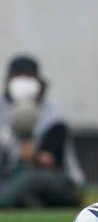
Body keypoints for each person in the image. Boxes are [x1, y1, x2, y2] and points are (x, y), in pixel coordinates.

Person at [0, 55, 85, 208]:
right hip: (10, 179)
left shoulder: (53, 118)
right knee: (21, 185)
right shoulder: (2, 111)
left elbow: (49, 160)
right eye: (18, 76)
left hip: (58, 181)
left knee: (29, 180)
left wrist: (32, 154)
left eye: (28, 76)